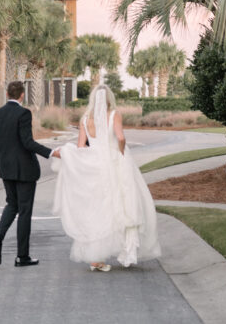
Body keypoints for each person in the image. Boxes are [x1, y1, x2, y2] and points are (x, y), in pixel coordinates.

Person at [51, 85, 160, 271]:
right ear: (109, 98)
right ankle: (126, 251)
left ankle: (96, 256)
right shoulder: (114, 114)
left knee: (97, 208)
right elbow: (121, 137)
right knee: (124, 204)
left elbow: (80, 146)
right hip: (115, 163)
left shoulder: (85, 118)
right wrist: (121, 152)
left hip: (94, 165)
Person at [0, 80, 60, 267]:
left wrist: (1, 163)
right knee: (25, 211)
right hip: (25, 170)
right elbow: (27, 142)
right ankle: (22, 256)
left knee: (12, 205)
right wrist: (51, 152)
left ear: (7, 94)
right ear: (22, 95)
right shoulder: (23, 113)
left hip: (6, 170)